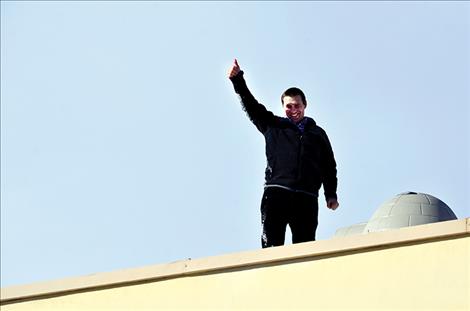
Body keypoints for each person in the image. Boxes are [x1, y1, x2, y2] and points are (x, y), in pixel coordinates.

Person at [227, 59, 339, 248]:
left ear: (304, 105)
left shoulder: (317, 134)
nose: (293, 110)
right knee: (271, 245)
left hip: (306, 197)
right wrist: (238, 80)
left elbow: (329, 166)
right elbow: (252, 106)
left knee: (305, 249)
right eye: (289, 106)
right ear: (283, 107)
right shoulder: (273, 125)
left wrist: (331, 194)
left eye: (297, 105)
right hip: (277, 192)